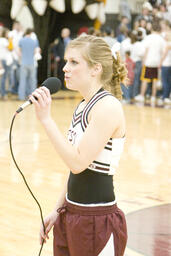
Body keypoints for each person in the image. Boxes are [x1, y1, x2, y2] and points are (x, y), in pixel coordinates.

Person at [29, 35, 128, 256]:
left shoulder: (108, 107)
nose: (65, 68)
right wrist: (57, 209)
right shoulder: (83, 105)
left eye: (74, 62)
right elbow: (74, 170)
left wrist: (46, 119)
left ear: (95, 69)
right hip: (71, 212)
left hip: (96, 218)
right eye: (66, 61)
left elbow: (78, 163)